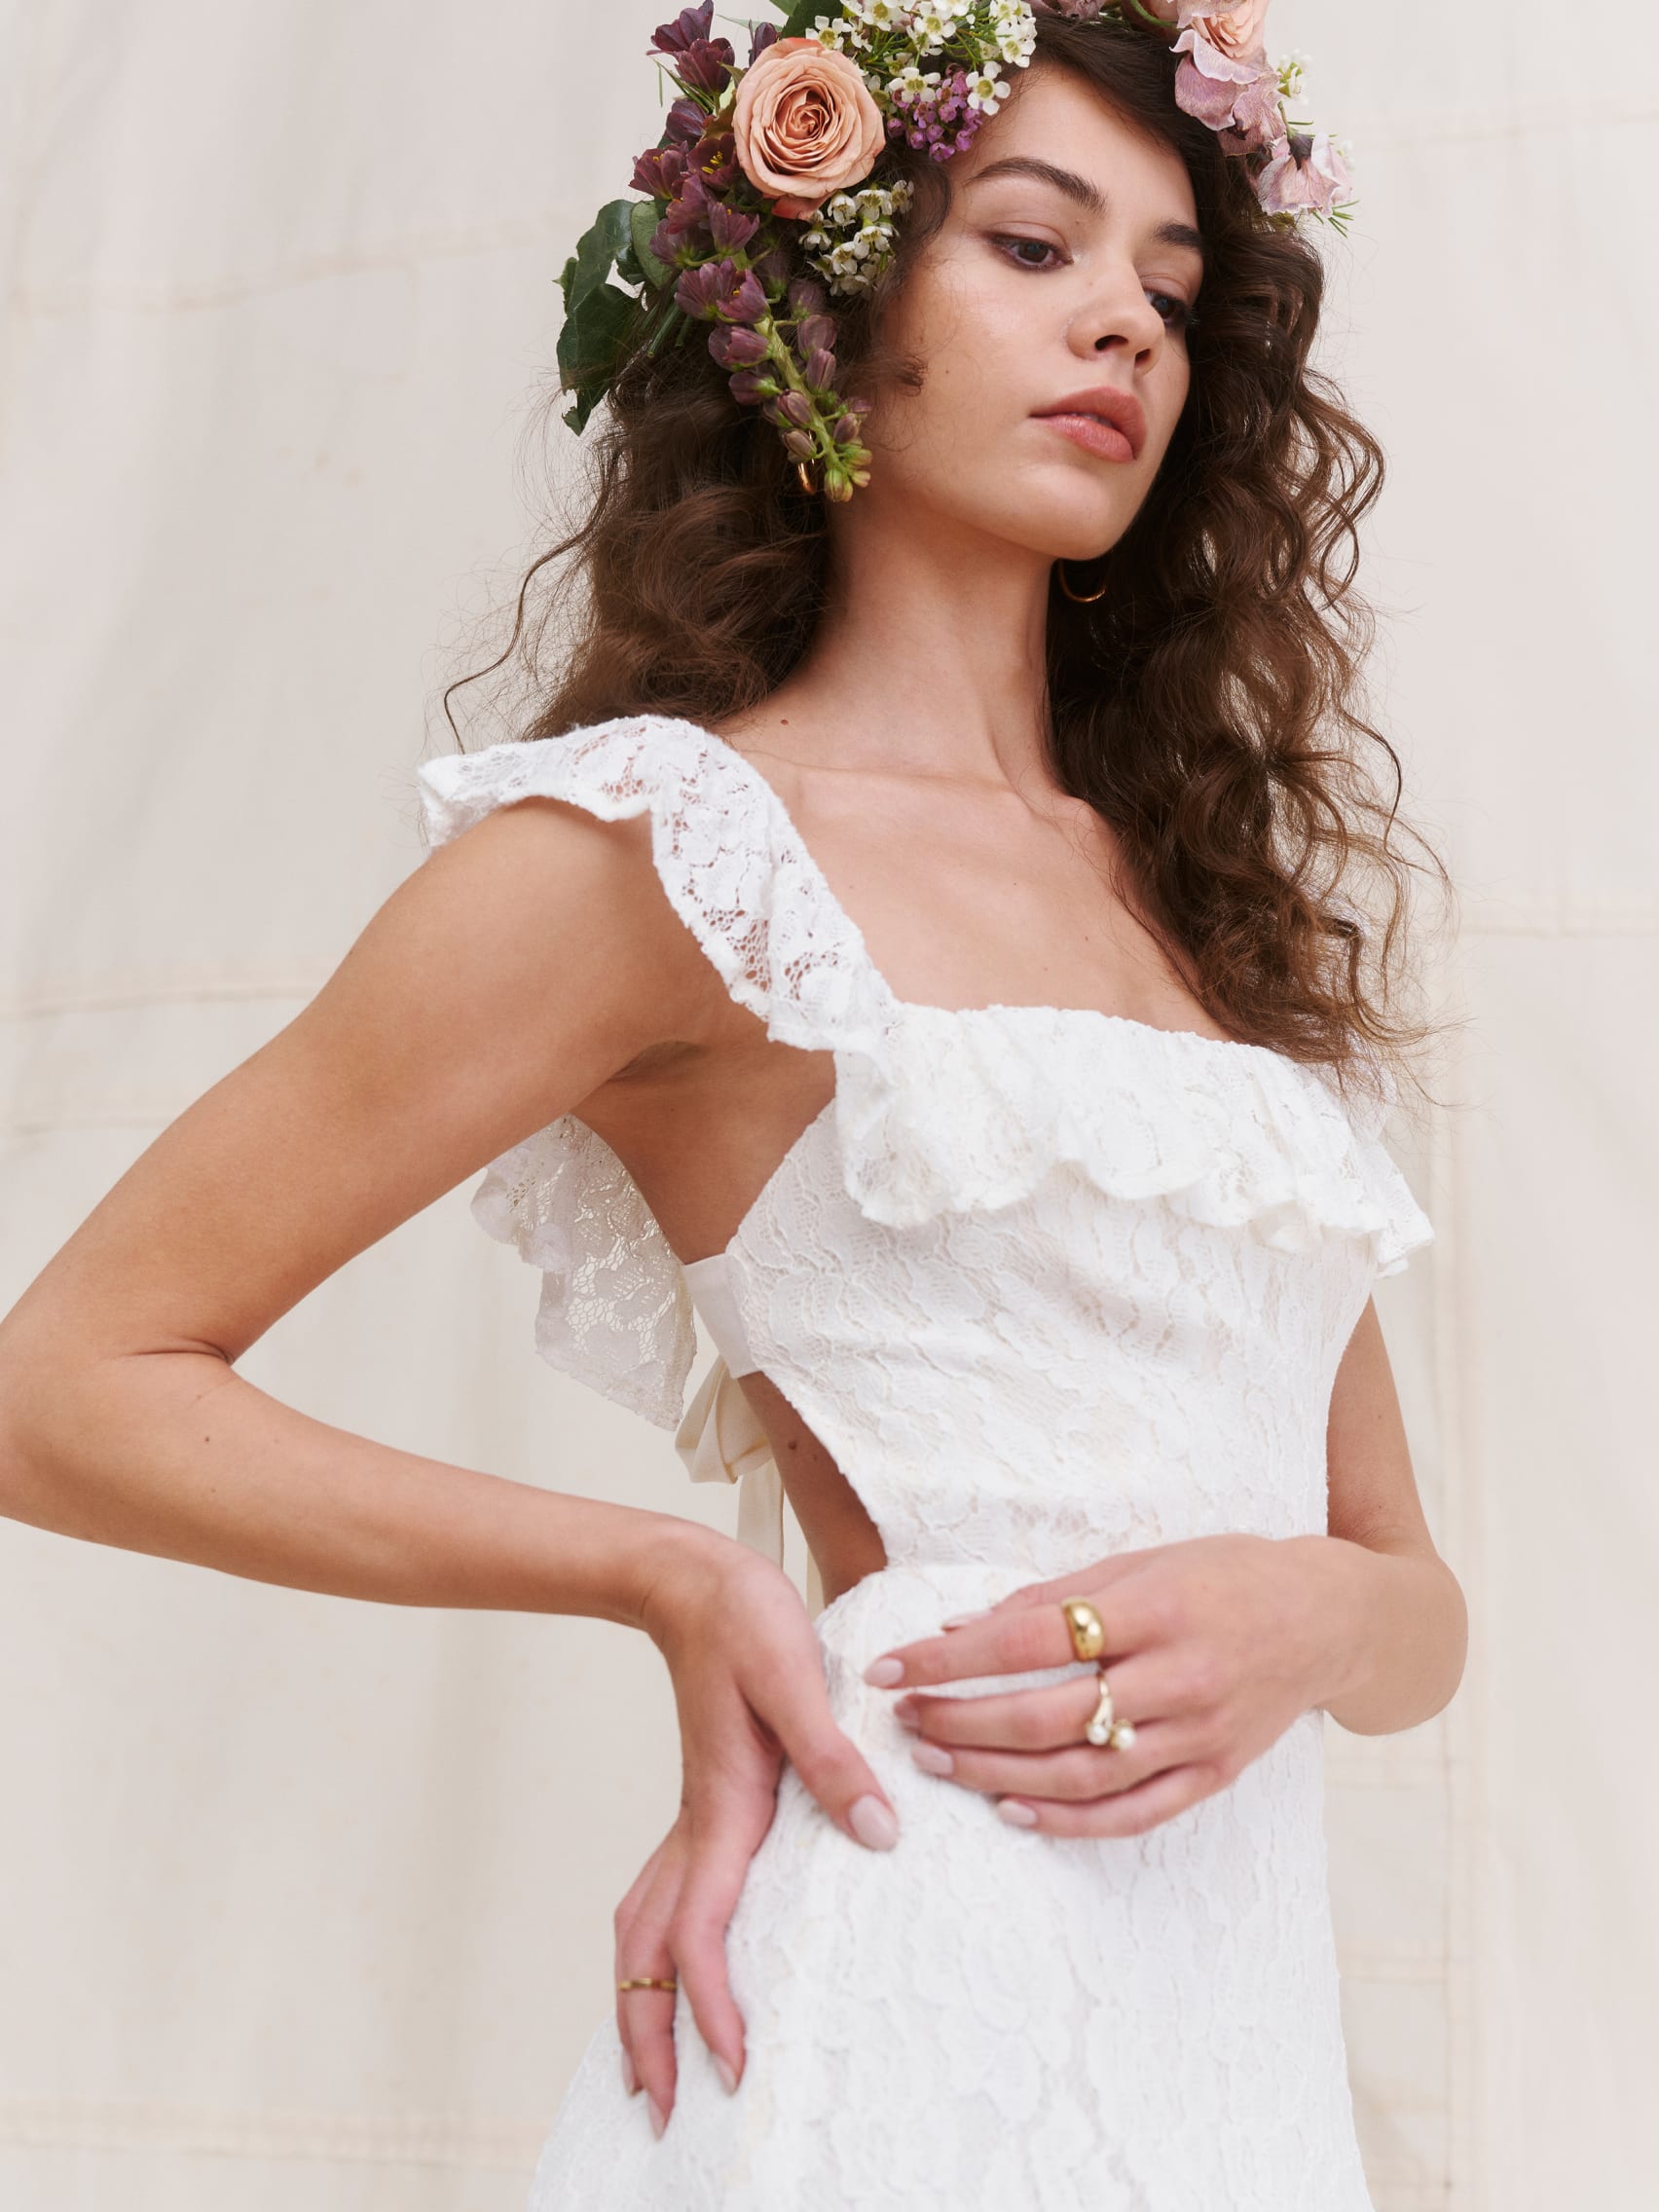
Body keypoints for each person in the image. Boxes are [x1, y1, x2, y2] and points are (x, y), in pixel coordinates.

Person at [0, 4, 1468, 2206]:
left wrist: (1315, 1619)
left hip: (1235, 2075)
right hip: (898, 2029)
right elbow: (62, 1387)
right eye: (1033, 246)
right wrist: (673, 1576)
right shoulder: (665, 857)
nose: (1122, 330)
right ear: (827, 308)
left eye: (1170, 294)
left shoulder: (1191, 898)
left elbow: (1409, 1594)